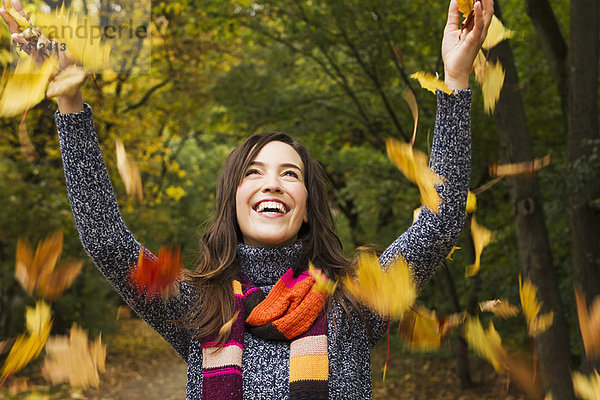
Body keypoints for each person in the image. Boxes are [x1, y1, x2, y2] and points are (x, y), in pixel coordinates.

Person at [3, 0, 493, 398]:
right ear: (233, 200)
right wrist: (69, 101)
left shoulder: (354, 300)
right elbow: (107, 240)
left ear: (308, 205)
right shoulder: (198, 308)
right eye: (254, 173)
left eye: (290, 174)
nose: (273, 183)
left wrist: (455, 81)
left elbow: (443, 219)